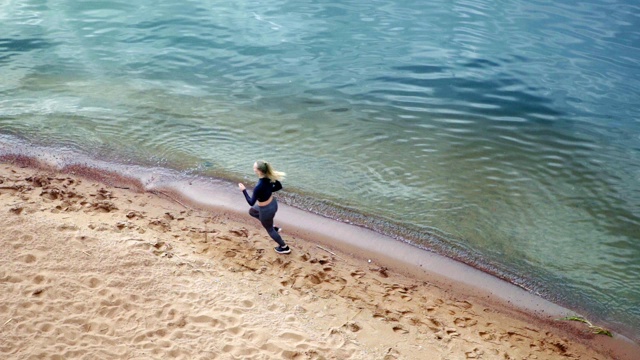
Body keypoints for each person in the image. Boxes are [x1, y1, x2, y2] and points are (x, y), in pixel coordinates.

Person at [238, 160, 291, 254]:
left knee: (269, 230)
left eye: (254, 167)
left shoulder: (259, 186)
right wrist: (268, 190)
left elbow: (251, 202)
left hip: (266, 210)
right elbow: (279, 187)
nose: (253, 168)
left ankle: (284, 247)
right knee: (252, 211)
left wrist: (244, 190)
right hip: (273, 204)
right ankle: (273, 227)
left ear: (258, 170)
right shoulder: (269, 177)